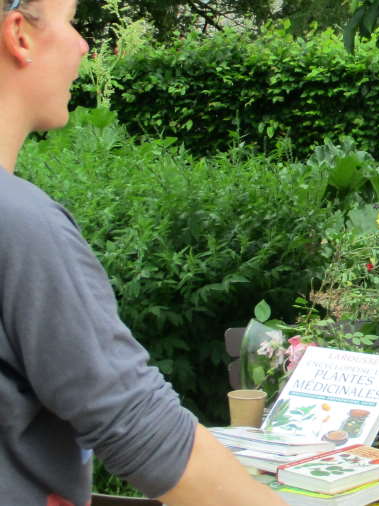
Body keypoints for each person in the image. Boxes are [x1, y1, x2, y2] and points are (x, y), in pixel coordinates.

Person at [0, 1, 287, 504]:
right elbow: (143, 431)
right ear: (19, 35)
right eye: (71, 22)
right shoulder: (20, 225)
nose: (83, 45)